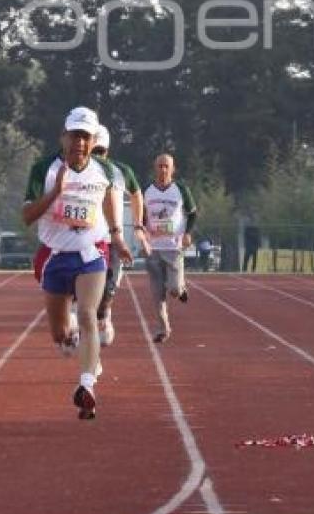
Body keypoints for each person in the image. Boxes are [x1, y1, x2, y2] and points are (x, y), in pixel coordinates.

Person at [22, 106, 132, 420]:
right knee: (60, 335)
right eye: (74, 136)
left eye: (85, 137)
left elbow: (110, 205)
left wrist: (118, 237)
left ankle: (87, 387)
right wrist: (55, 191)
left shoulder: (105, 171)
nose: (79, 143)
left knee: (88, 315)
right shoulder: (44, 168)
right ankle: (72, 335)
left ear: (92, 139)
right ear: (63, 137)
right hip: (55, 255)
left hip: (90, 253)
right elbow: (27, 217)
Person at [92, 124, 147, 346]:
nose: (98, 156)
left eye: (100, 151)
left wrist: (138, 225)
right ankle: (87, 319)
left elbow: (136, 194)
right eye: (94, 151)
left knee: (110, 287)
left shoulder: (120, 171)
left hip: (113, 239)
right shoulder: (77, 170)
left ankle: (104, 314)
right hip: (88, 239)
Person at [143, 152, 197, 343]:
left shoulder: (180, 189)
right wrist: (142, 236)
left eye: (167, 166)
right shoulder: (146, 190)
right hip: (153, 248)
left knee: (173, 289)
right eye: (160, 166)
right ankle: (163, 329)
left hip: (174, 248)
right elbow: (140, 217)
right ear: (154, 168)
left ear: (173, 169)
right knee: (157, 294)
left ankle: (180, 289)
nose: (163, 169)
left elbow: (192, 213)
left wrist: (188, 233)